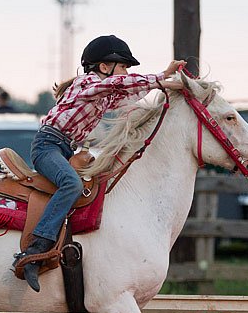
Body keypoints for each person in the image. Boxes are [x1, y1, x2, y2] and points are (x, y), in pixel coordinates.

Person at [14, 34, 185, 291]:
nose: (126, 73)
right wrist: (161, 77)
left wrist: (164, 89)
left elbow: (130, 94)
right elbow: (121, 85)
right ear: (104, 67)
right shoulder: (88, 83)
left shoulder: (104, 94)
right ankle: (36, 247)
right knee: (71, 184)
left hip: (64, 149)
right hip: (48, 146)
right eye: (124, 66)